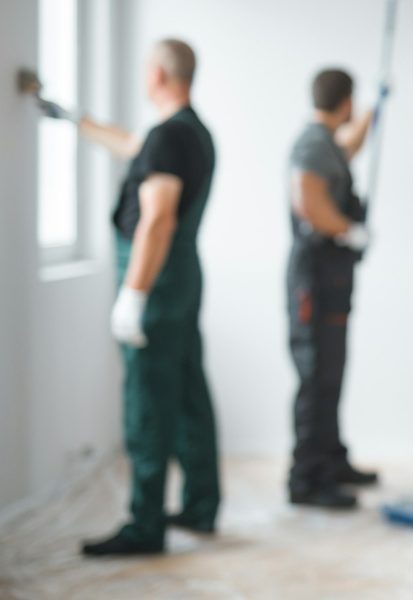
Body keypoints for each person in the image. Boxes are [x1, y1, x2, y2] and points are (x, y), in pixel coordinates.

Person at [41, 39, 220, 555]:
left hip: (157, 279)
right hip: (182, 274)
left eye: (147, 68)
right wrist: (73, 118)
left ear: (160, 74)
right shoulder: (191, 131)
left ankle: (145, 526)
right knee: (188, 390)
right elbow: (129, 144)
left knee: (147, 399)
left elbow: (158, 218)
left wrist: (133, 294)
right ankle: (201, 505)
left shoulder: (169, 138)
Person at [285, 68, 381, 508]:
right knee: (316, 374)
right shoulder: (311, 145)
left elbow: (348, 148)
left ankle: (332, 459)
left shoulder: (327, 144)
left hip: (331, 277)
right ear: (344, 101)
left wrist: (371, 113)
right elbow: (306, 199)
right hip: (315, 279)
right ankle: (307, 478)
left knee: (331, 370)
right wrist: (348, 229)